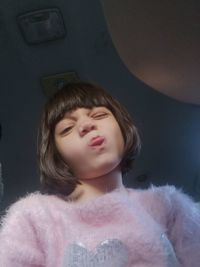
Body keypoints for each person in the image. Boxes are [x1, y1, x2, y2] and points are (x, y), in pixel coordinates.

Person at [0, 82, 200, 267]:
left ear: (122, 127)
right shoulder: (33, 217)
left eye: (99, 115)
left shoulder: (169, 206)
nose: (87, 125)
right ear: (56, 153)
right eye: (67, 128)